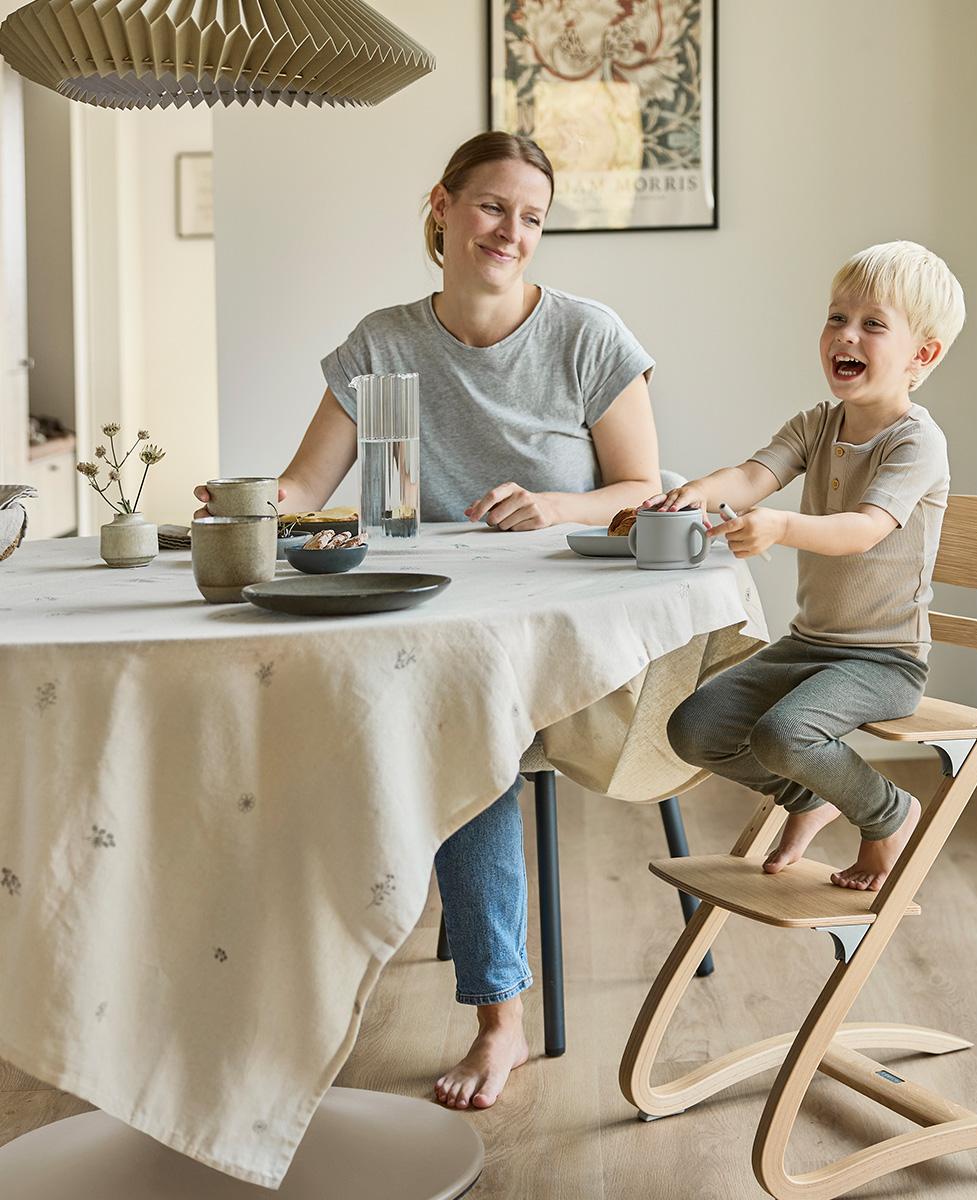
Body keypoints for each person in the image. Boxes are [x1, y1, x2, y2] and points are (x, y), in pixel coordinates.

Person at [195, 132, 659, 1109]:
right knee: (304, 707)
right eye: (493, 207)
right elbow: (304, 488)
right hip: (425, 619)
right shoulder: (384, 344)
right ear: (442, 207)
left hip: (555, 636)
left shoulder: (587, 336)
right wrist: (245, 504)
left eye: (531, 217)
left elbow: (643, 490)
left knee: (462, 720)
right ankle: (283, 987)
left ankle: (502, 1022)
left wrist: (556, 507)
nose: (512, 232)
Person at [655, 241, 965, 893]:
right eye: (836, 317)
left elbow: (863, 531)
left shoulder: (916, 442)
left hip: (882, 659)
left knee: (782, 735)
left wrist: (781, 527)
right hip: (808, 645)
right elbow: (751, 475)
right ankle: (808, 799)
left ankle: (886, 812)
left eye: (872, 323)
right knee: (695, 728)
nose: (845, 335)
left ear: (923, 355)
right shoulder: (817, 424)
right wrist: (697, 493)